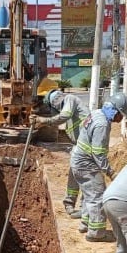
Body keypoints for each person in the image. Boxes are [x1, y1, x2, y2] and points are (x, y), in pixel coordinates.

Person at [69, 92, 127, 242]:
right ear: (115, 111)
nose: (121, 118)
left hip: (78, 160)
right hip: (86, 164)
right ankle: (96, 232)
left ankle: (85, 223)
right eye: (121, 114)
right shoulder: (102, 124)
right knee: (98, 195)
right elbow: (98, 153)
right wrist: (110, 172)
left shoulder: (97, 113)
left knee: (88, 193)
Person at [31, 89, 90, 218]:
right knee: (74, 172)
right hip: (79, 145)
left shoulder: (70, 99)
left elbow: (64, 116)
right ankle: (69, 203)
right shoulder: (68, 106)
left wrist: (44, 120)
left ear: (55, 102)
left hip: (87, 145)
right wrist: (39, 123)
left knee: (85, 177)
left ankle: (84, 210)